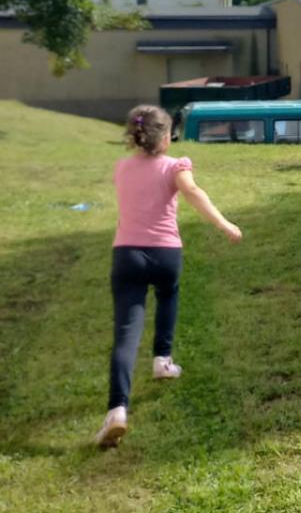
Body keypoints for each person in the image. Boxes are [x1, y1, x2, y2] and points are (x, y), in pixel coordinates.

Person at [95, 105, 242, 449]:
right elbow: (192, 192)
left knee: (126, 333)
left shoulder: (122, 167)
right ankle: (163, 360)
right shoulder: (175, 166)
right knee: (168, 295)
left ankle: (117, 410)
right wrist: (224, 224)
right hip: (165, 254)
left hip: (127, 254)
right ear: (164, 137)